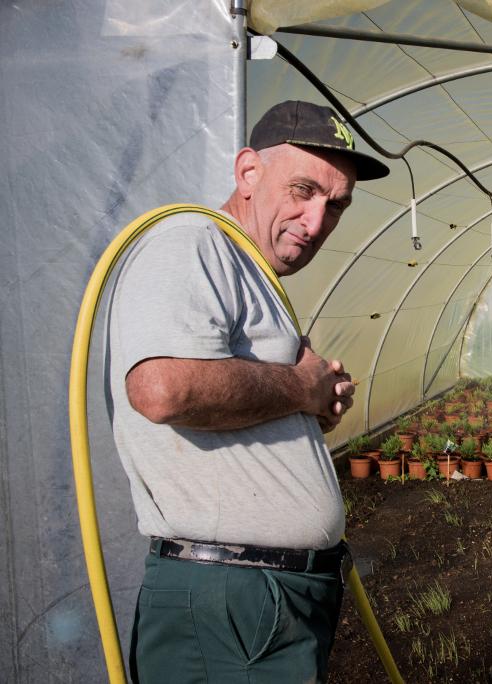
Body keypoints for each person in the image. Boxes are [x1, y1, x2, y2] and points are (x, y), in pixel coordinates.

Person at [106, 100, 390, 683]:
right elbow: (162, 389)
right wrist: (299, 388)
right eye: (303, 190)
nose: (316, 222)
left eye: (335, 205)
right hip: (229, 603)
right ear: (248, 173)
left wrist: (311, 406)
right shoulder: (191, 242)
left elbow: (239, 396)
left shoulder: (249, 270)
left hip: (263, 601)